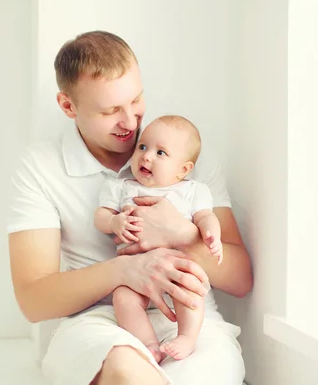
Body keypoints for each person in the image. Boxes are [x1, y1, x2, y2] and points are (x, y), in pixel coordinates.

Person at [7, 30, 253, 385]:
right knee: (127, 373)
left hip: (191, 317)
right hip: (100, 322)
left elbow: (241, 278)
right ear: (67, 106)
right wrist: (126, 271)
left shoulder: (183, 149)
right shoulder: (40, 167)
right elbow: (34, 301)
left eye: (136, 100)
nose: (131, 122)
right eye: (110, 111)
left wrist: (182, 234)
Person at [94, 115, 224, 363]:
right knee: (122, 298)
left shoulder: (192, 191)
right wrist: (113, 222)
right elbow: (101, 216)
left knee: (191, 292)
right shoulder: (122, 187)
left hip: (177, 268)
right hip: (134, 274)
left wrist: (211, 235)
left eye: (161, 153)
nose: (147, 156)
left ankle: (186, 337)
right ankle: (149, 344)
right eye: (143, 146)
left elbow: (206, 216)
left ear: (183, 170)